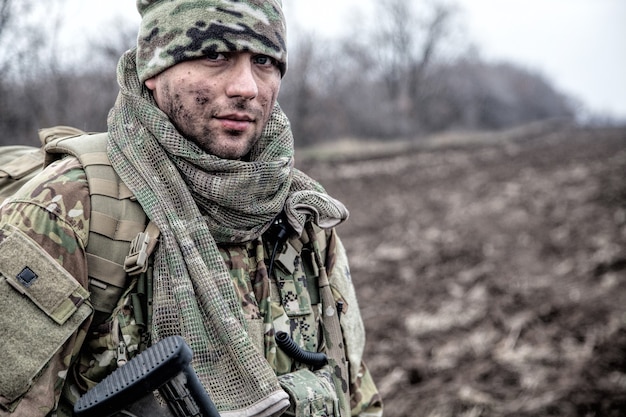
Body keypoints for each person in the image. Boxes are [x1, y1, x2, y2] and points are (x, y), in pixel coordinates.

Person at [0, 1, 382, 416]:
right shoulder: (68, 208)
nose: (246, 87)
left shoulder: (302, 215)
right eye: (215, 55)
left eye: (264, 61)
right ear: (153, 70)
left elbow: (355, 396)